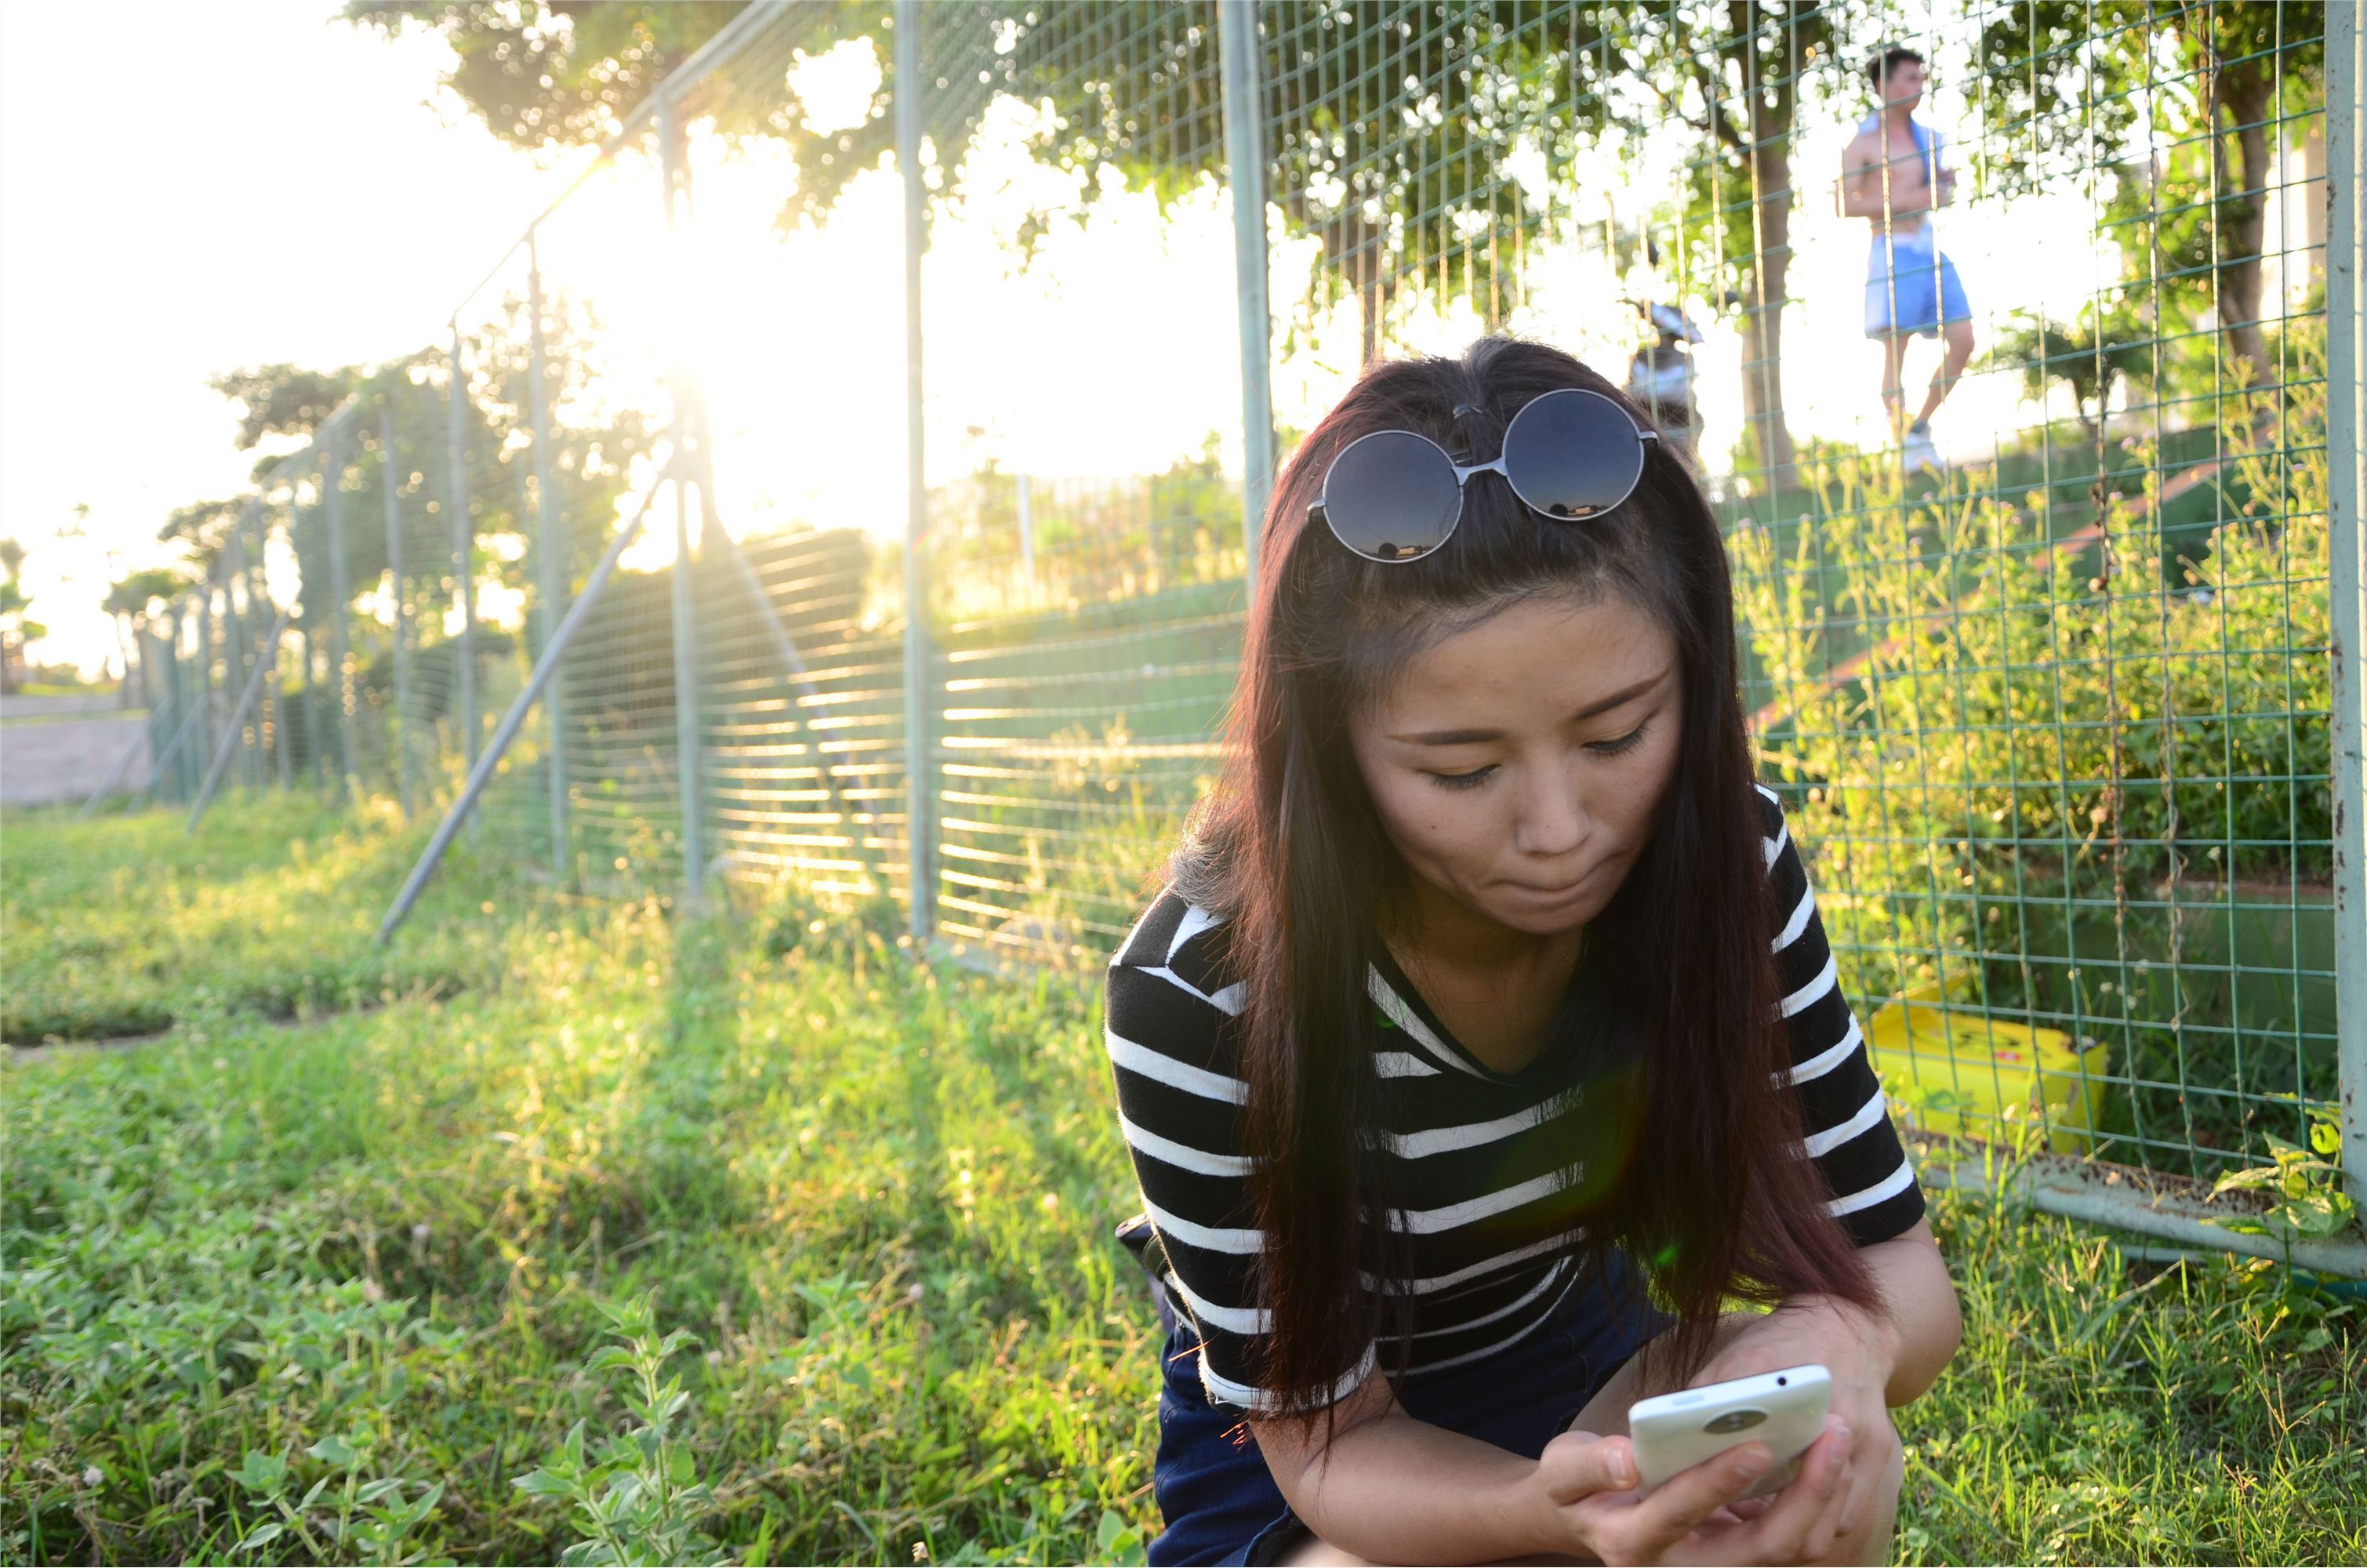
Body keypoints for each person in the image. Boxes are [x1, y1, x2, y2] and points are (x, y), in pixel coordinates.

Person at [1104, 338, 1962, 1566]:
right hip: (1308, 1473)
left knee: (1828, 1474)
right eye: (1459, 769)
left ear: (1693, 676)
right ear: (1331, 745)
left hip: (1582, 1352)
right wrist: (1555, 1522)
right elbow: (1332, 1443)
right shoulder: (1203, 992)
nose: (1558, 833)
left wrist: (1844, 1349)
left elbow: (1898, 1270)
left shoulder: (1727, 863)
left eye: (1615, 736)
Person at [1842, 46, 1975, 474]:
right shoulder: (1863, 143)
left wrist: (1941, 185)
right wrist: (1904, 199)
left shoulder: (1929, 138)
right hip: (1891, 253)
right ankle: (1903, 445)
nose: (1918, 87)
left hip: (1928, 248)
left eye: (1921, 79)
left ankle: (1920, 427)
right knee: (1894, 355)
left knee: (1964, 341)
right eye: (1909, 79)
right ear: (1884, 86)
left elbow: (1938, 194)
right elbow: (1845, 204)